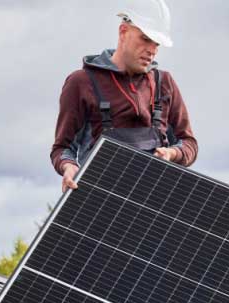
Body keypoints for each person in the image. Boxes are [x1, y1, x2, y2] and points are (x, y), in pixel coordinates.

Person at [50, 0, 198, 192]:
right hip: (99, 206)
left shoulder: (164, 83)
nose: (152, 50)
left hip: (158, 205)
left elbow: (189, 144)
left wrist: (172, 153)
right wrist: (69, 167)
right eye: (145, 38)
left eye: (157, 43)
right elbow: (62, 148)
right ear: (123, 31)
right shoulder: (82, 82)